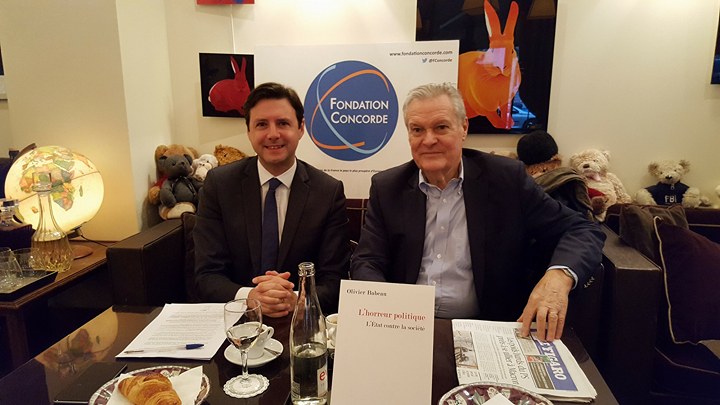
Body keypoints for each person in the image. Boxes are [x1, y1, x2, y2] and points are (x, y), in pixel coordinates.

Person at [350, 83, 605, 341]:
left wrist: (559, 277)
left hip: (487, 328)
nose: (428, 140)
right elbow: (366, 260)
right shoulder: (387, 187)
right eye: (417, 130)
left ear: (463, 128)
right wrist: (387, 312)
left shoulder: (507, 179)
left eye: (441, 127)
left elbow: (581, 229)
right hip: (406, 327)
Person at [194, 82, 350, 317]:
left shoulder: (328, 192)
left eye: (283, 123)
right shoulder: (219, 185)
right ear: (248, 131)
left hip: (300, 320)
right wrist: (250, 297)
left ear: (301, 128)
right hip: (237, 319)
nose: (273, 134)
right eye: (261, 124)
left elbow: (335, 280)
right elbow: (206, 275)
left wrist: (297, 299)